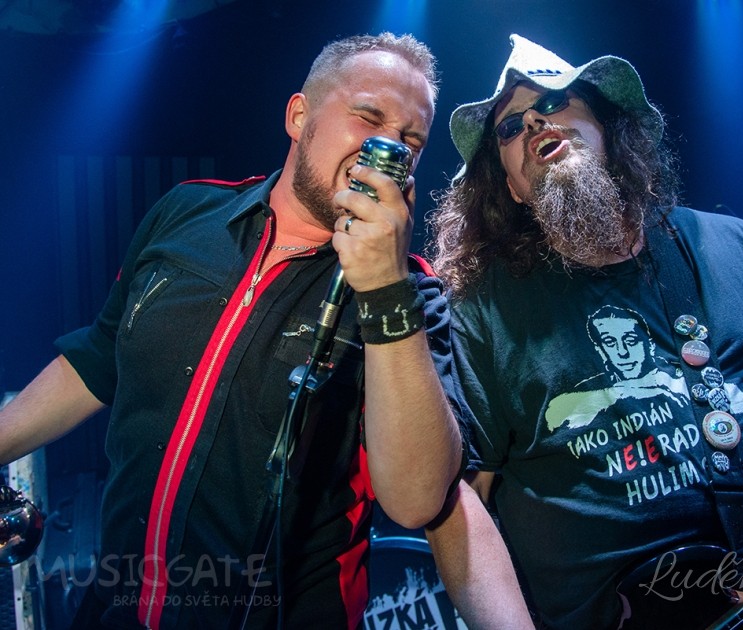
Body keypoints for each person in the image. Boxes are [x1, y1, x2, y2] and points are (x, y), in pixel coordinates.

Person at [423, 34, 743, 629]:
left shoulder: (732, 247)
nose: (534, 122)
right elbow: (463, 499)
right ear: (512, 186)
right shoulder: (482, 310)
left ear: (608, 127)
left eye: (553, 100)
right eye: (510, 127)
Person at [0, 32, 464, 629]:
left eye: (411, 140)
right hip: (117, 606)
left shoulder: (413, 296)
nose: (389, 149)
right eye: (369, 117)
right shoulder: (186, 213)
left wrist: (383, 288)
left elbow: (417, 497)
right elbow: (97, 360)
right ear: (299, 116)